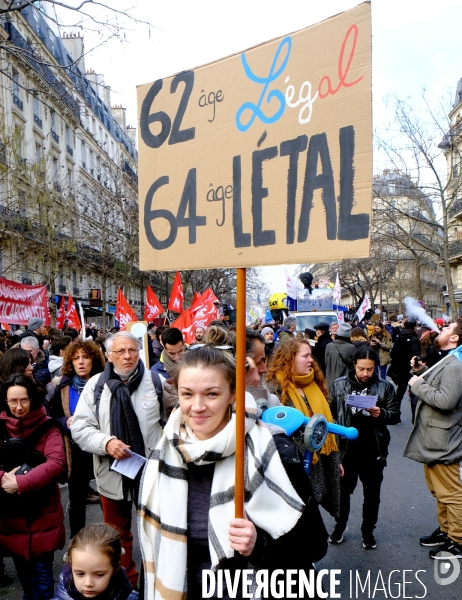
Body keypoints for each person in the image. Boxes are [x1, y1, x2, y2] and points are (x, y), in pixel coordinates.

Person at [139, 346, 328, 599]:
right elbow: (152, 552)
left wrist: (258, 546)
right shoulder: (161, 458)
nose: (197, 406)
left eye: (211, 394)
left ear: (232, 395)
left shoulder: (273, 451)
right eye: (187, 394)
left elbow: (314, 545)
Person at [71, 332, 162, 587]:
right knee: (118, 537)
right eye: (120, 351)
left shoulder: (156, 382)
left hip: (151, 475)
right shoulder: (96, 385)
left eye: (132, 350)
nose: (127, 356)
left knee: (156, 533)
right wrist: (106, 443)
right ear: (109, 356)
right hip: (111, 474)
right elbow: (80, 428)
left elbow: (177, 418)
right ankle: (127, 585)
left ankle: (157, 583)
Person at [0, 374, 66, 600]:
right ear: (6, 401)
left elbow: (56, 463)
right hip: (11, 518)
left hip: (43, 514)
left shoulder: (48, 427)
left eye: (24, 400)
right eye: (13, 401)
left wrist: (19, 482)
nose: (19, 407)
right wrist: (3, 479)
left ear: (33, 399)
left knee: (43, 578)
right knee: (26, 578)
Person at [328, 347, 399, 549]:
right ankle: (340, 527)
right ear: (354, 365)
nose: (365, 374)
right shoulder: (339, 385)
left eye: (370, 369)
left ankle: (368, 532)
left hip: (373, 450)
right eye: (361, 369)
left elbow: (395, 415)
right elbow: (329, 414)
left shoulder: (385, 387)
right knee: (342, 493)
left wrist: (382, 413)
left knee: (372, 495)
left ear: (375, 367)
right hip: (345, 450)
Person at [404, 321, 462, 559]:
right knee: (439, 490)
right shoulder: (450, 359)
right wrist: (420, 372)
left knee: (451, 492)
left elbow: (446, 400)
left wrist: (418, 386)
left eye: (447, 328)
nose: (442, 330)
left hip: (444, 441)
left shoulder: (457, 365)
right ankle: (446, 531)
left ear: (454, 339)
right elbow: (439, 385)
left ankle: (457, 540)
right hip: (435, 439)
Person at [266, 338, 341, 517]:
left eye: (311, 355)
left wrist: (336, 460)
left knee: (313, 507)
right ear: (290, 359)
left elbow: (326, 425)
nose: (311, 360)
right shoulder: (274, 390)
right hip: (293, 465)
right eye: (305, 356)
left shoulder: (315, 384)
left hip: (320, 459)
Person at [49, 341, 106, 537]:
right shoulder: (63, 387)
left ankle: (111, 547)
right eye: (76, 358)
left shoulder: (104, 384)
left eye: (85, 357)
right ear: (70, 362)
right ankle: (77, 543)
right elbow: (52, 416)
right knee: (77, 500)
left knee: (109, 499)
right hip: (76, 451)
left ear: (94, 360)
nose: (81, 362)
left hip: (102, 449)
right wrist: (66, 421)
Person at [53, 523, 138, 600]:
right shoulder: (63, 595)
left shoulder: (127, 596)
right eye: (80, 574)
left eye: (99, 574)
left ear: (115, 568)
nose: (88, 583)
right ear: (71, 565)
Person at [150, 327, 186, 421]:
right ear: (164, 348)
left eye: (180, 351)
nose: (177, 357)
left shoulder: (196, 363)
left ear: (184, 343)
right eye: (172, 353)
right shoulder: (155, 372)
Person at [389, 319, 420, 410]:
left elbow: (392, 353)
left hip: (400, 369)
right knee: (413, 393)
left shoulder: (399, 337)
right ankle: (414, 418)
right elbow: (416, 355)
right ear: (414, 327)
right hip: (411, 369)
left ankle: (396, 414)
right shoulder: (414, 339)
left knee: (400, 392)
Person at [324, 323, 356, 389]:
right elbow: (355, 366)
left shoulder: (328, 346)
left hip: (330, 382)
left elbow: (326, 363)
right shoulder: (351, 348)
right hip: (345, 383)